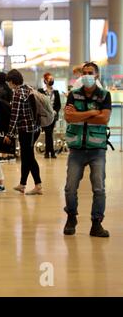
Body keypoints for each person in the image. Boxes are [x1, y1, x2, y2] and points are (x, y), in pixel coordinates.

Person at [63, 62, 112, 238]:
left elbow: (104, 119)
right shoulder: (73, 95)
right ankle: (71, 217)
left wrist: (79, 115)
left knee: (99, 188)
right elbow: (68, 117)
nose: (86, 75)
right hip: (76, 148)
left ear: (97, 75)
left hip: (97, 148)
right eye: (84, 73)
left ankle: (97, 223)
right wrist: (92, 113)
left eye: (90, 72)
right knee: (70, 187)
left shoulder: (104, 95)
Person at [4, 69, 43, 195]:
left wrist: (9, 134)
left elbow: (14, 116)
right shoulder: (28, 88)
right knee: (26, 157)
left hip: (26, 130)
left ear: (12, 81)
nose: (8, 85)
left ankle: (38, 185)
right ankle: (22, 184)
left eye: (8, 82)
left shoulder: (17, 93)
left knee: (29, 157)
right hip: (34, 128)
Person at [38, 73, 61, 158]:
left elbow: (58, 104)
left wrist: (55, 111)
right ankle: (50, 152)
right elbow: (39, 103)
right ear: (45, 81)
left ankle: (48, 152)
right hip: (44, 115)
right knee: (48, 133)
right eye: (49, 79)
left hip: (53, 115)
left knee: (50, 133)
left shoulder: (56, 92)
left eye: (52, 79)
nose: (51, 81)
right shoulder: (41, 91)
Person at [0, 71, 15, 162]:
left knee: (3, 134)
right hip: (9, 113)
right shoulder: (8, 88)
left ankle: (4, 155)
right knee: (9, 132)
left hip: (2, 113)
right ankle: (10, 154)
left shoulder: (0, 89)